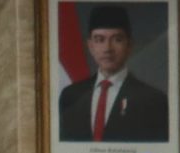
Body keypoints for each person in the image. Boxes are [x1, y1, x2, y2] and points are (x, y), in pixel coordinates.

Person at [57, 6, 169, 145]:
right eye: (99, 39)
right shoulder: (70, 96)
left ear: (129, 45)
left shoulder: (153, 101)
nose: (107, 49)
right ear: (90, 46)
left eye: (117, 39)